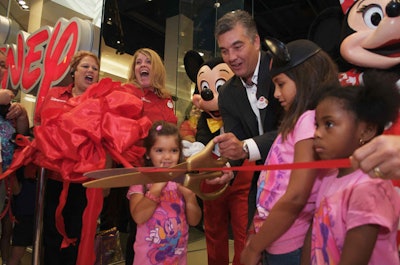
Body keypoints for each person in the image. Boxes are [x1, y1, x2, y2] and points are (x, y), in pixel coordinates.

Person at [240, 38, 339, 265]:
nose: (276, 93)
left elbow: (296, 196)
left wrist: (255, 248)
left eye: (281, 84)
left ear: (306, 78)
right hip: (277, 236)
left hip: (287, 241)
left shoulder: (308, 120)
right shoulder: (300, 122)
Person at [301, 71, 400, 265]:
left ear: (366, 130)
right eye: (316, 125)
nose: (317, 134)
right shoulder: (328, 175)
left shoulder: (369, 187)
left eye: (329, 124)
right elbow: (314, 235)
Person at [212, 9, 282, 227]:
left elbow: (293, 130)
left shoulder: (282, 70)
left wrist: (243, 147)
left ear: (256, 41)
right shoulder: (227, 94)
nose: (231, 58)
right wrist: (228, 170)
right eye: (224, 51)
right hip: (262, 181)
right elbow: (237, 141)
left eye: (237, 46)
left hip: (299, 176)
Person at [37, 50, 100, 265]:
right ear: (73, 70)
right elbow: (40, 126)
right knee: (50, 233)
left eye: (95, 68)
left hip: (83, 181)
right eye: (85, 66)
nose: (91, 70)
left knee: (76, 233)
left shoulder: (99, 103)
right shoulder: (55, 94)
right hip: (53, 177)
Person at [118, 47, 178, 265]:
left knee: (164, 224)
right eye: (138, 62)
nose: (142, 65)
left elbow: (173, 131)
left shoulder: (166, 98)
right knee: (138, 228)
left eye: (148, 62)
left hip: (164, 171)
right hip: (138, 171)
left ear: (156, 68)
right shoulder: (127, 93)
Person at [126, 121, 201, 265]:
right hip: (147, 260)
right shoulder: (140, 182)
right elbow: (139, 217)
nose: (167, 157)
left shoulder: (182, 181)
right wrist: (156, 188)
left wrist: (190, 197)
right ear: (148, 153)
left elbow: (194, 220)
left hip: (177, 258)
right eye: (159, 150)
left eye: (173, 150)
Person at [0, 49, 29, 265]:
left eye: (3, 65)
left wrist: (22, 112)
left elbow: (23, 134)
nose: (1, 69)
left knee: (7, 231)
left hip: (8, 178)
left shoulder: (10, 106)